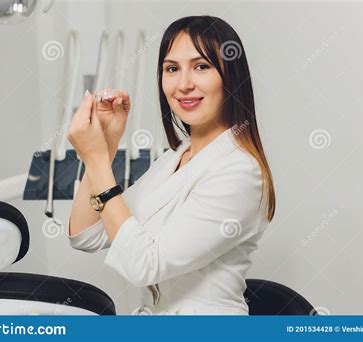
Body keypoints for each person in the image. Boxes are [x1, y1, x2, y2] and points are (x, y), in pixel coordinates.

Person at [66, 15, 276, 315]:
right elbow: (87, 234)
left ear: (231, 76)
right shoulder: (175, 157)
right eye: (172, 69)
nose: (184, 84)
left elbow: (144, 265)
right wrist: (107, 145)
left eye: (202, 66)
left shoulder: (242, 173)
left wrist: (95, 158)